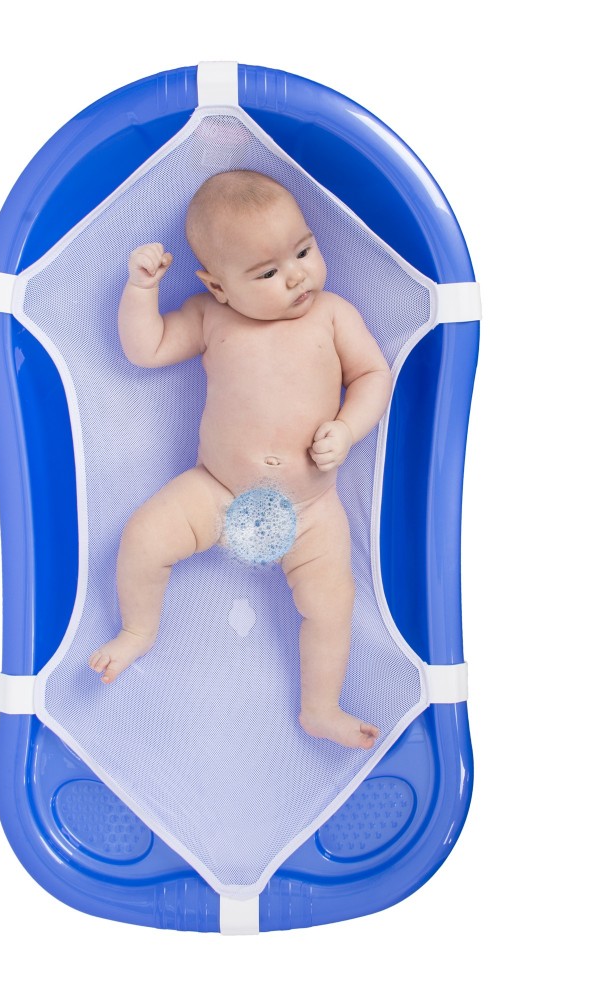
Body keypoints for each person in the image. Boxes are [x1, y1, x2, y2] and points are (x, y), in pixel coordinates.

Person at [89, 170, 393, 750]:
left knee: (332, 604)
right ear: (219, 286)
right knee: (144, 538)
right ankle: (137, 631)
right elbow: (146, 348)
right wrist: (141, 290)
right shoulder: (210, 316)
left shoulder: (332, 314)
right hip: (216, 490)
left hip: (310, 507)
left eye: (303, 250)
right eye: (268, 273)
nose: (297, 275)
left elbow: (373, 375)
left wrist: (348, 428)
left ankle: (320, 707)